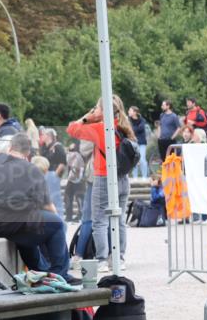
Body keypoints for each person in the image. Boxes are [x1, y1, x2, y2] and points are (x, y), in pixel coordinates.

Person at [0, 134, 78, 284]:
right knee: (55, 224)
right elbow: (47, 206)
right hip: (0, 221)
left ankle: (40, 272)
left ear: (10, 148)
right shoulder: (31, 169)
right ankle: (60, 275)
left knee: (25, 226)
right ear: (28, 153)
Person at [67, 95, 136, 273]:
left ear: (102, 111)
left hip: (104, 177)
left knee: (99, 221)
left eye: (97, 108)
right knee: (119, 219)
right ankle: (119, 258)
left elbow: (72, 129)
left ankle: (102, 260)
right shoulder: (125, 126)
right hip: (123, 178)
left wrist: (88, 117)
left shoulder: (100, 128)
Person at [64, 141, 87, 221]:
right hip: (72, 175)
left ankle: (81, 215)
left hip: (80, 175)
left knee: (79, 197)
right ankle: (69, 216)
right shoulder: (75, 141)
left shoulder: (83, 144)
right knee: (67, 195)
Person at [128, 106, 149, 178]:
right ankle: (135, 177)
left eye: (130, 110)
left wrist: (132, 129)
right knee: (134, 160)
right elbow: (129, 129)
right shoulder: (128, 120)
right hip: (132, 143)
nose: (128, 112)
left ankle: (145, 177)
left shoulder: (142, 120)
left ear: (135, 112)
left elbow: (139, 128)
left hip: (142, 143)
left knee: (142, 159)